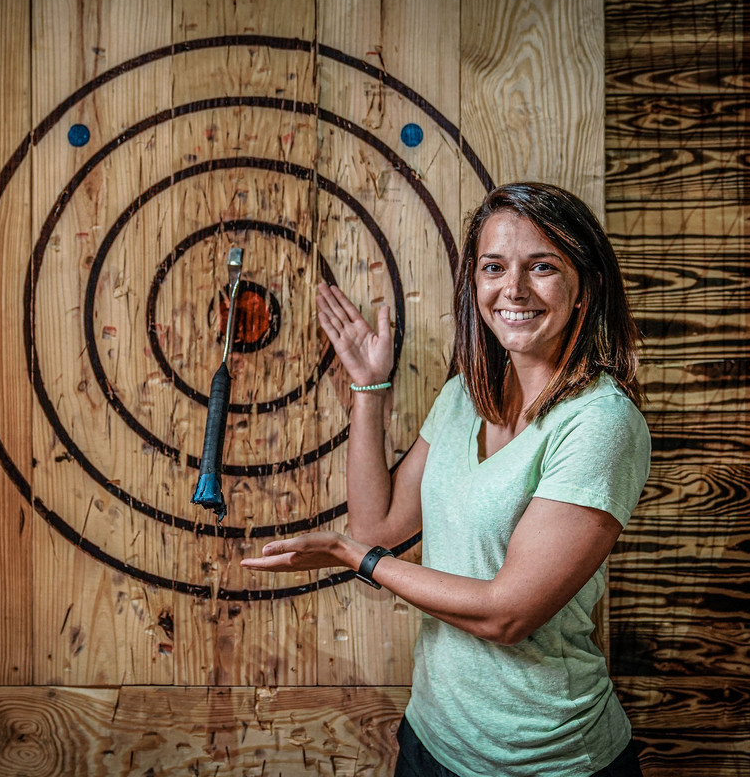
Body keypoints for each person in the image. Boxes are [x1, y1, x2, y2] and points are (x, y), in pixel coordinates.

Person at [241, 182, 650, 776]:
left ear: (584, 285)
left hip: (543, 759)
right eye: (494, 267)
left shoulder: (601, 423)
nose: (514, 289)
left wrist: (348, 555)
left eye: (542, 267)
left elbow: (508, 615)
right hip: (432, 736)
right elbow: (376, 523)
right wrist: (367, 387)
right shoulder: (466, 394)